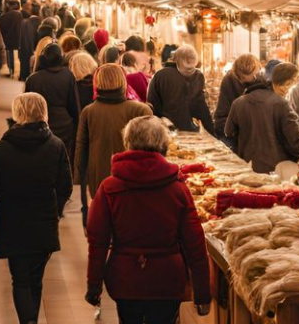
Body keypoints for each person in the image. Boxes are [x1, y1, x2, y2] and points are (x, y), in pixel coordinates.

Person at [85, 116, 212, 324]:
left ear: (128, 143)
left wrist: (94, 286)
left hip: (126, 280)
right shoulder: (177, 188)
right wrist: (202, 293)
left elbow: (97, 241)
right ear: (163, 145)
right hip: (167, 280)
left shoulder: (110, 188)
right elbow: (195, 243)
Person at [0, 93, 72, 324]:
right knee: (36, 278)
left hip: (11, 221)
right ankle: (32, 319)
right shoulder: (55, 146)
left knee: (19, 278)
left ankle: (28, 321)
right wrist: (56, 210)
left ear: (17, 113)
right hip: (43, 221)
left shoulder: (0, 149)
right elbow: (65, 186)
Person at [76, 64, 153, 200]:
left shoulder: (88, 111)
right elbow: (151, 149)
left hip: (99, 178)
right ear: (123, 81)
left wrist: (79, 178)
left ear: (97, 82)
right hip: (134, 178)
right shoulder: (141, 110)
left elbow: (81, 146)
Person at [225, 63, 299, 174]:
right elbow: (297, 145)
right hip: (276, 170)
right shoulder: (281, 104)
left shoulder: (239, 102)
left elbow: (228, 132)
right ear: (287, 83)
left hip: (246, 166)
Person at [25, 43, 81, 167]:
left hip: (40, 124)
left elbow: (27, 109)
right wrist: (77, 124)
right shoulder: (68, 75)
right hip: (64, 124)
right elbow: (74, 104)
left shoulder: (33, 79)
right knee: (63, 159)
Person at [146, 45, 215, 133]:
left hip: (165, 131)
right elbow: (201, 108)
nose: (189, 68)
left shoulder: (160, 75)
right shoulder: (196, 76)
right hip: (182, 131)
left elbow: (152, 104)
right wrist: (212, 132)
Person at [213, 54, 261, 152]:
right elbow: (222, 117)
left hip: (254, 137)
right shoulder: (229, 81)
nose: (252, 80)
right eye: (244, 78)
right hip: (233, 134)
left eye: (253, 78)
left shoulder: (262, 81)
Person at [0, 0, 24, 78]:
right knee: (17, 57)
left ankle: (11, 71)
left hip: (8, 40)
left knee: (10, 56)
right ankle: (16, 72)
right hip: (20, 40)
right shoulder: (21, 15)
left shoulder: (4, 16)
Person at [18, 1, 41, 81]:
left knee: (24, 62)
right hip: (36, 47)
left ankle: (23, 76)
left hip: (26, 47)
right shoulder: (41, 22)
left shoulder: (25, 22)